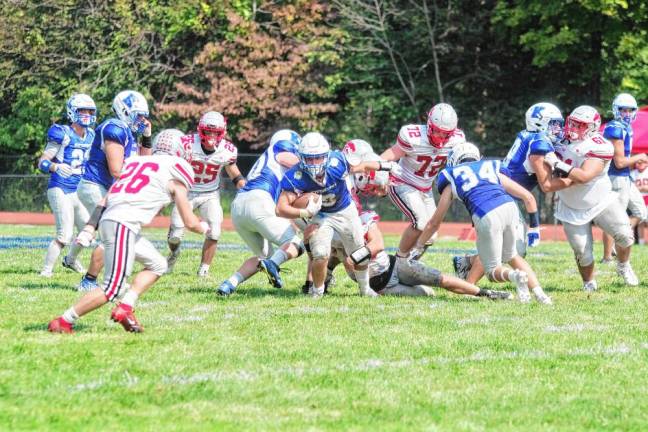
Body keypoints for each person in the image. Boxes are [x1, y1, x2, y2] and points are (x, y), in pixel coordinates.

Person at [48, 129, 209, 333]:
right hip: (123, 223)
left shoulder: (135, 162)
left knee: (158, 264)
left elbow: (105, 199)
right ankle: (63, 321)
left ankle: (125, 307)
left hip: (112, 219)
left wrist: (90, 226)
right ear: (181, 151)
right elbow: (190, 221)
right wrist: (205, 226)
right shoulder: (177, 169)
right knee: (112, 287)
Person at [413, 142, 552, 304]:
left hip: (487, 215)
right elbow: (528, 197)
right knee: (512, 256)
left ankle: (515, 276)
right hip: (510, 208)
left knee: (492, 271)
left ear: (454, 160)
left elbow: (434, 223)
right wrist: (534, 226)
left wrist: (418, 246)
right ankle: (540, 294)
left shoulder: (451, 176)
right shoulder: (491, 167)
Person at [453, 102, 569, 283]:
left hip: (502, 192)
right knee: (506, 248)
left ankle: (466, 262)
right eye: (554, 124)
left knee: (514, 249)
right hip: (502, 196)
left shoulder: (528, 135)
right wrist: (575, 178)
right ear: (540, 123)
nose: (558, 129)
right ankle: (468, 286)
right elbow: (546, 185)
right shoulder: (539, 143)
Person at [273, 132, 399, 298]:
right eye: (309, 158)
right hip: (321, 214)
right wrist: (304, 212)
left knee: (358, 251)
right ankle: (317, 292)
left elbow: (361, 166)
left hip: (345, 210)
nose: (313, 163)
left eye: (317, 158)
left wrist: (386, 166)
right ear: (301, 157)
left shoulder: (337, 161)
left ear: (325, 155)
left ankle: (365, 289)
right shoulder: (295, 175)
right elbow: (280, 209)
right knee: (320, 254)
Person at [320, 209, 511, 300]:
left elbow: (377, 244)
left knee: (440, 280)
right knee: (427, 294)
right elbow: (329, 257)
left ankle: (485, 293)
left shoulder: (363, 220)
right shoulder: (331, 233)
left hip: (396, 267)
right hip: (383, 288)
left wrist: (352, 258)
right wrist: (325, 276)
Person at [545, 105, 638, 291]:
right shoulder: (555, 140)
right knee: (582, 251)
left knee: (625, 236)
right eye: (572, 123)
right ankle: (588, 283)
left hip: (601, 200)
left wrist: (556, 163)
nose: (573, 128)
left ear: (593, 128)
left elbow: (585, 176)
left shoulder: (599, 145)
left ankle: (623, 266)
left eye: (580, 125)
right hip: (571, 204)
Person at [67, 90, 153, 292]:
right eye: (138, 115)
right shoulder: (115, 128)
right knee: (113, 234)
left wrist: (147, 137)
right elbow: (116, 170)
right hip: (94, 185)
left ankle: (81, 259)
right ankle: (89, 281)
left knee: (114, 232)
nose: (141, 120)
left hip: (106, 187)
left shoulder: (128, 132)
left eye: (143, 115)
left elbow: (144, 162)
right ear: (124, 111)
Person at [217, 129, 303, 296]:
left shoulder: (267, 160)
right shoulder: (281, 148)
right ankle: (274, 265)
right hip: (258, 201)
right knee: (297, 245)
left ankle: (229, 284)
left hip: (239, 207)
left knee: (266, 257)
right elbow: (296, 163)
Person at [380, 103, 465, 258]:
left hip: (425, 188)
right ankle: (398, 262)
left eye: (446, 134)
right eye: (438, 132)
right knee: (421, 224)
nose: (441, 137)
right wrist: (378, 172)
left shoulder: (457, 140)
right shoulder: (413, 137)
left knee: (430, 235)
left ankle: (409, 264)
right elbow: (392, 153)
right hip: (402, 181)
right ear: (429, 125)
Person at [166, 112, 245, 277]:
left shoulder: (227, 150)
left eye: (215, 132)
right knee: (175, 236)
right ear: (200, 130)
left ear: (221, 133)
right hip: (186, 193)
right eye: (208, 132)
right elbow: (172, 167)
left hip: (210, 194)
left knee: (215, 231)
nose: (211, 136)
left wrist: (244, 188)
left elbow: (232, 170)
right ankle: (174, 253)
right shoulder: (186, 144)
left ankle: (204, 270)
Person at [38, 93, 96, 277]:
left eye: (89, 111)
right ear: (72, 112)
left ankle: (70, 260)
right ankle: (46, 271)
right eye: (82, 110)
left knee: (88, 232)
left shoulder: (92, 135)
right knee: (64, 235)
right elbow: (42, 162)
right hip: (60, 187)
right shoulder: (62, 133)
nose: (86, 114)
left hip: (79, 190)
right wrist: (55, 166)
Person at [601, 93, 647, 262]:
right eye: (623, 110)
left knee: (641, 212)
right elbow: (619, 162)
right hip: (616, 176)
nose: (627, 113)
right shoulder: (616, 128)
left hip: (625, 177)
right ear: (616, 110)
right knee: (614, 218)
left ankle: (620, 238)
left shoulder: (626, 127)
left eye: (630, 110)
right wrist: (640, 156)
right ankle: (607, 257)